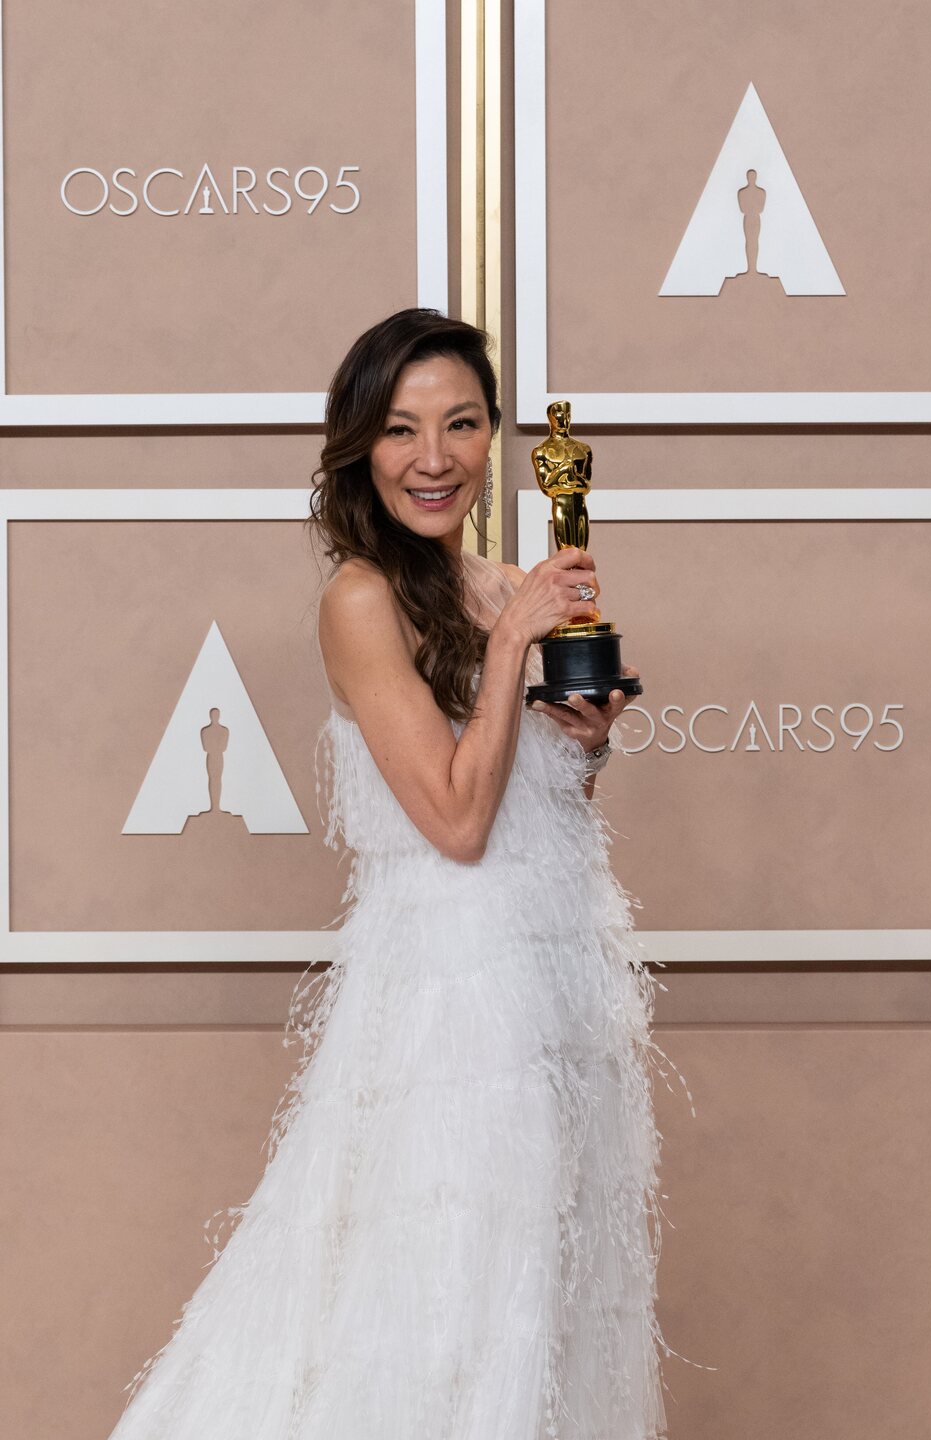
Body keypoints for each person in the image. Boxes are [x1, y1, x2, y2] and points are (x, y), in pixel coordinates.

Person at [105, 308, 673, 1440]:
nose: (435, 456)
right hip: (450, 1007)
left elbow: (532, 808)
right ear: (362, 445)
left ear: (494, 437)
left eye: (461, 424)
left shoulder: (492, 583)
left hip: (554, 985)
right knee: (444, 1295)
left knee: (541, 1303)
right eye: (404, 428)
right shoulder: (360, 600)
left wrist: (587, 735)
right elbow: (456, 824)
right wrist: (516, 640)